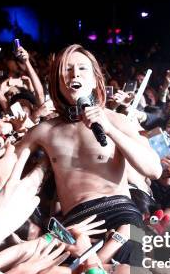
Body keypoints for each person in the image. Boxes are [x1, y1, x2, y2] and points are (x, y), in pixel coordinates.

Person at [17, 44, 162, 262]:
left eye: (82, 68)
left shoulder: (117, 120)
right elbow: (7, 169)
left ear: (95, 80)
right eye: (67, 69)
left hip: (120, 214)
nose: (74, 73)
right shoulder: (43, 131)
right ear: (57, 82)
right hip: (76, 223)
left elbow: (154, 170)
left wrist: (109, 129)